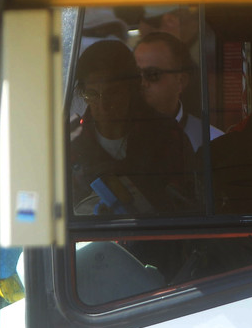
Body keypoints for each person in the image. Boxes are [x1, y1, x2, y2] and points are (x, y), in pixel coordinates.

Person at [68, 38, 197, 218]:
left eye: (113, 93)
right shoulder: (73, 143)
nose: (103, 105)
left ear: (131, 89)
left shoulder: (166, 137)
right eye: (92, 95)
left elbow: (187, 207)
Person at [134, 30, 220, 149]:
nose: (142, 83)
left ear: (181, 81)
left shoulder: (211, 141)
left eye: (152, 74)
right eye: (136, 74)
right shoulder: (117, 136)